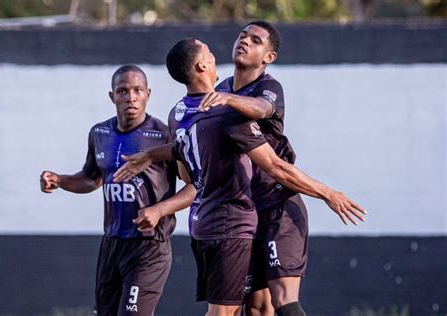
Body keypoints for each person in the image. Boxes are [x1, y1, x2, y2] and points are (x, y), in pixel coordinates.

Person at [114, 39, 366, 316]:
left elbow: (186, 171)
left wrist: (153, 155)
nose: (214, 55)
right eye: (209, 53)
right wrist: (329, 194)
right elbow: (276, 167)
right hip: (230, 223)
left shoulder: (177, 113)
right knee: (225, 312)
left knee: (256, 307)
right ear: (202, 65)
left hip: (203, 223)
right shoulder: (227, 113)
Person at [40, 64, 196, 316]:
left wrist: (158, 210)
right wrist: (60, 180)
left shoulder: (165, 135)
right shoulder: (100, 133)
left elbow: (193, 187)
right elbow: (91, 179)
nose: (130, 97)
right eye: (123, 91)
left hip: (149, 245)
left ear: (148, 94)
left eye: (137, 90)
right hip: (112, 243)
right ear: (112, 96)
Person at [198, 21, 310, 316]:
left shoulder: (268, 87)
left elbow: (262, 109)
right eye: (242, 35)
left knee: (285, 301)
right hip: (242, 214)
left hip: (277, 205)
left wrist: (229, 99)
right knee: (258, 306)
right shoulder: (219, 90)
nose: (245, 41)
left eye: (255, 40)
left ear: (268, 57)